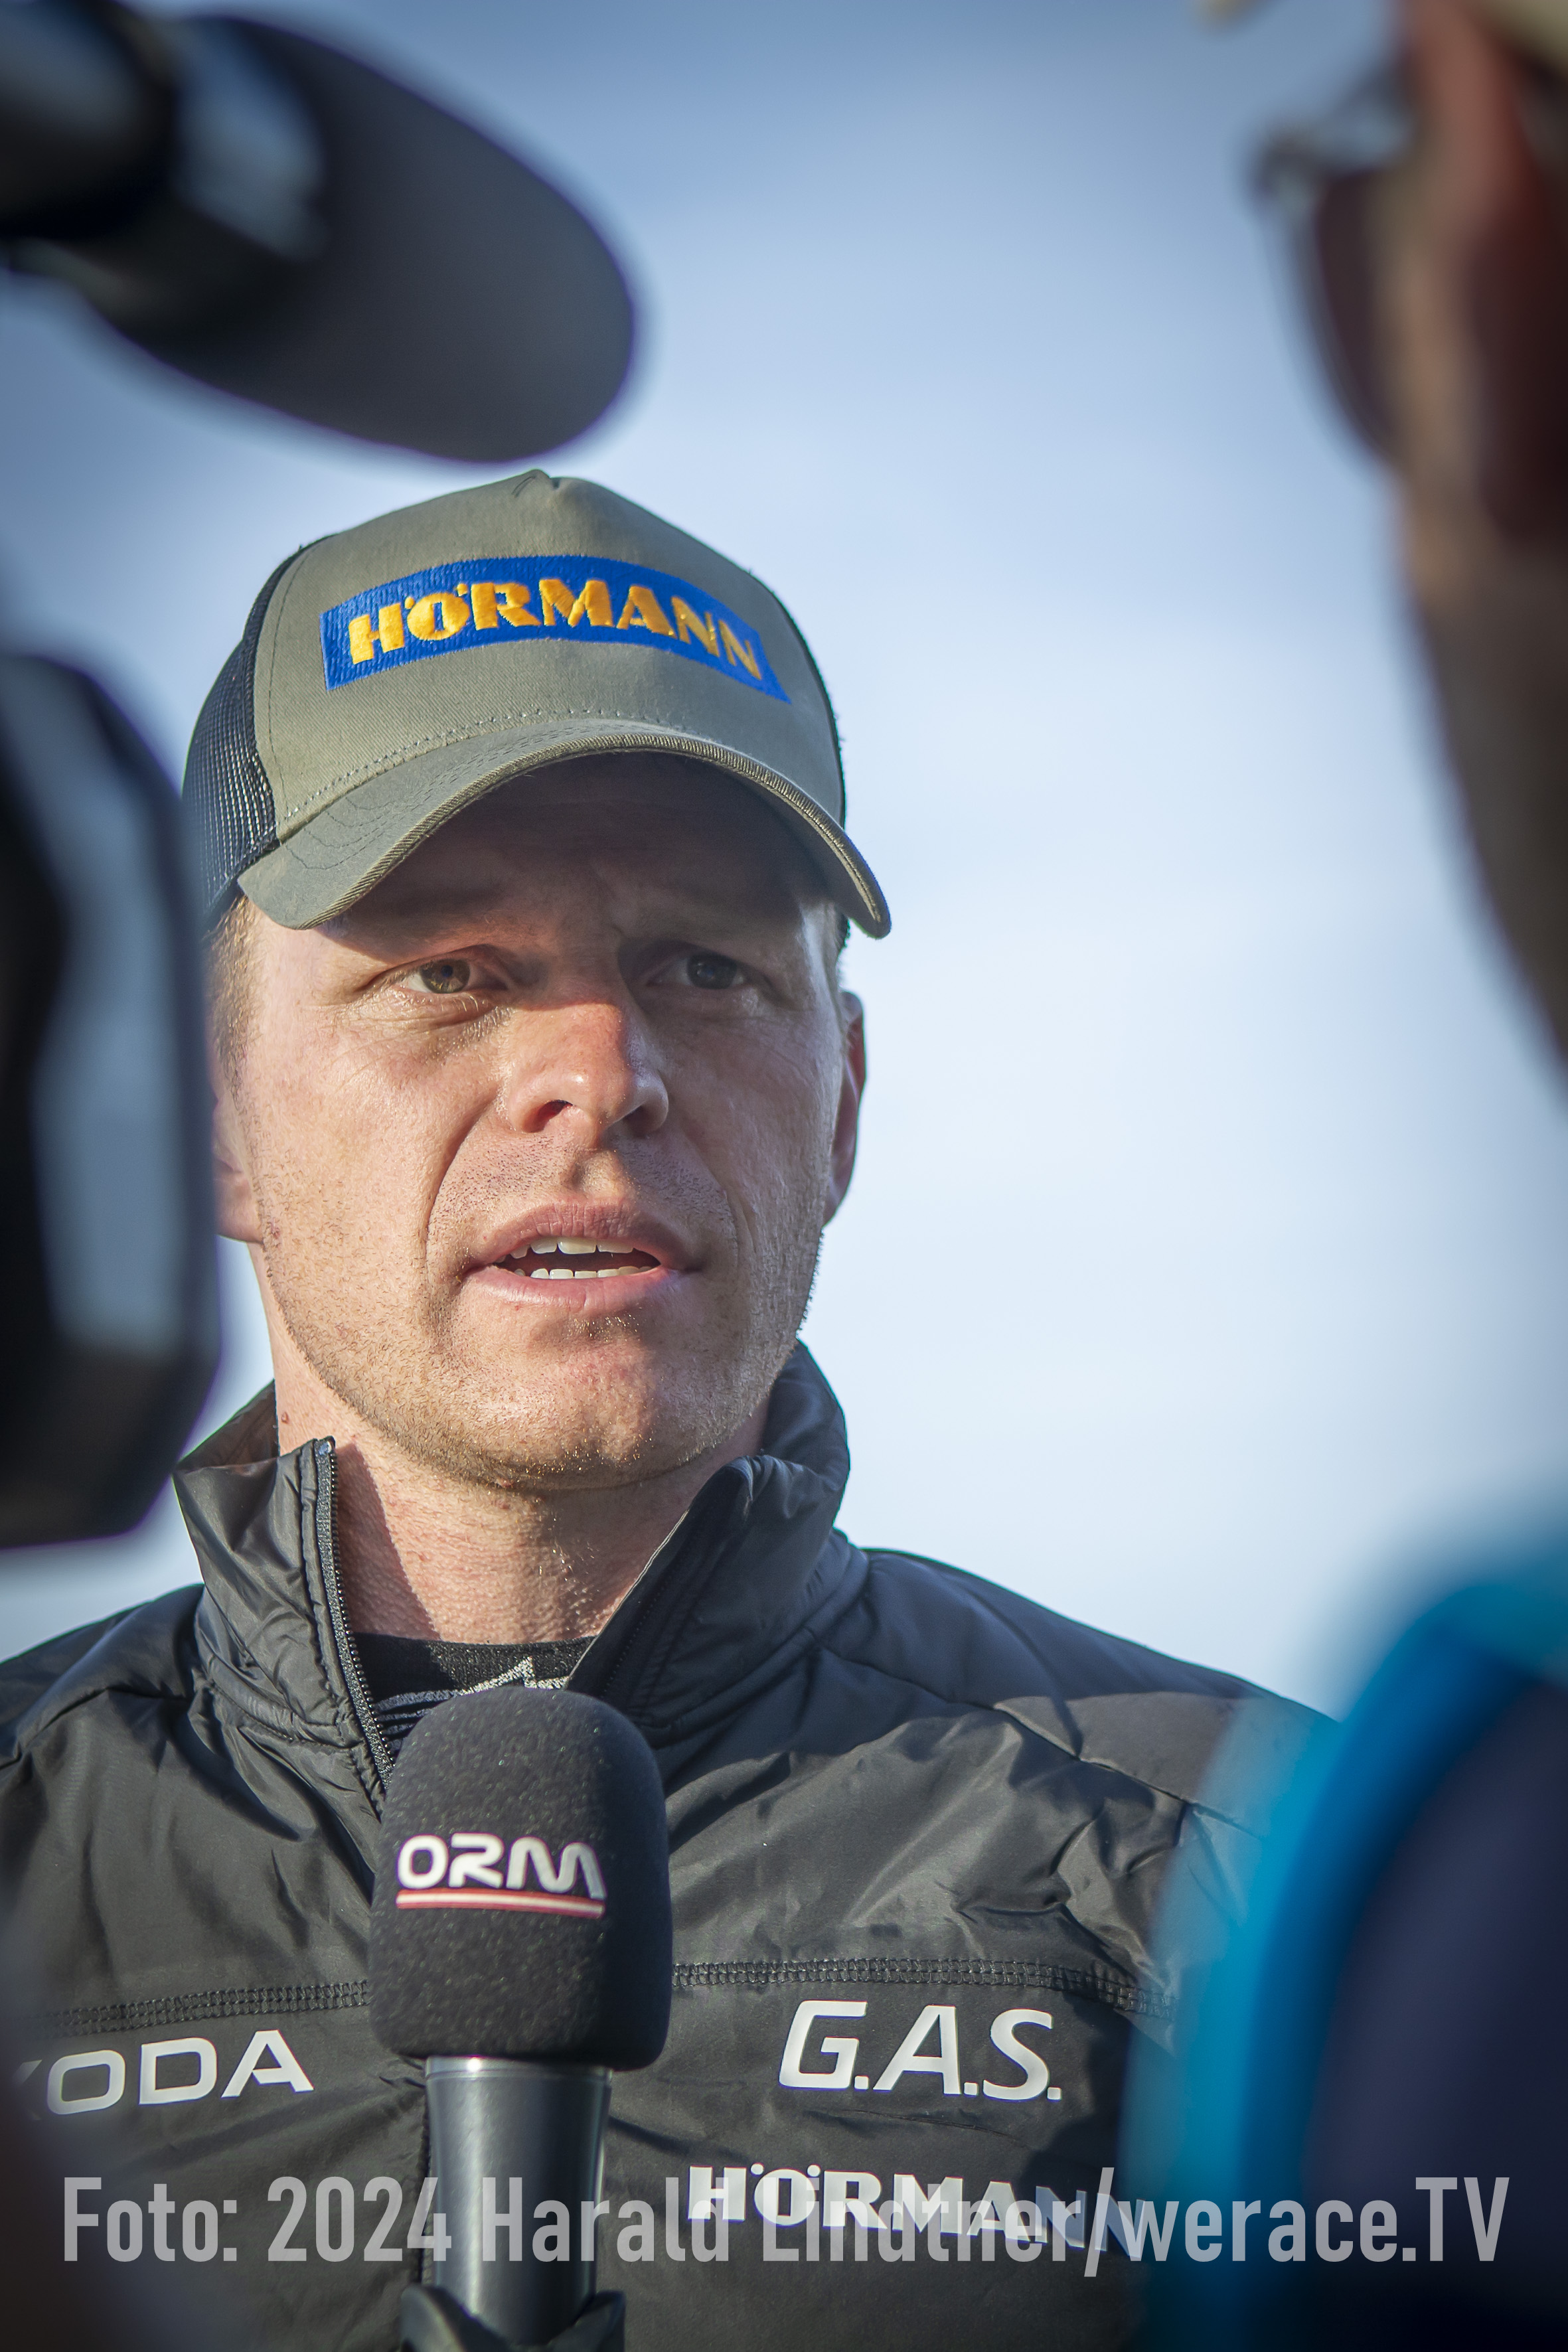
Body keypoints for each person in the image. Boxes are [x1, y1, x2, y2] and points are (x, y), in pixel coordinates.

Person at [0, 470, 1300, 2352]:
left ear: (841, 1103)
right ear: (212, 1108)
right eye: (451, 974)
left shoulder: (1260, 1879)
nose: (602, 1075)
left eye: (706, 970)